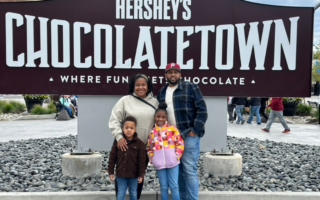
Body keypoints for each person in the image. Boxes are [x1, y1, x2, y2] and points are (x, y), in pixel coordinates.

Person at [157, 63, 207, 200]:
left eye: (176, 72)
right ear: (166, 75)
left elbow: (202, 110)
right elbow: (160, 115)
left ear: (180, 74)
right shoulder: (161, 92)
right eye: (170, 72)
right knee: (177, 171)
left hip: (188, 135)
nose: (173, 75)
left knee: (189, 170)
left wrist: (195, 131)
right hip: (171, 139)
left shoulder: (190, 87)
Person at [109, 73, 159, 199]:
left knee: (138, 178)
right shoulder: (125, 101)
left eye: (143, 85)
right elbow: (114, 120)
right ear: (133, 86)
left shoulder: (155, 102)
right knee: (120, 177)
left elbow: (159, 124)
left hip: (143, 149)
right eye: (137, 85)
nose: (140, 87)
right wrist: (119, 137)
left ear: (148, 86)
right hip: (124, 145)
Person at [146, 102, 184, 200]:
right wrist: (152, 159)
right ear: (155, 117)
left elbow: (180, 143)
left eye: (163, 117)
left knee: (174, 186)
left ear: (166, 118)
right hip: (159, 164)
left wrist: (177, 156)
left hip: (173, 162)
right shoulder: (152, 132)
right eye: (158, 117)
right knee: (163, 187)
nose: (160, 119)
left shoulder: (172, 129)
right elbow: (149, 147)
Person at [108, 116, 146, 200]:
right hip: (121, 174)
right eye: (127, 127)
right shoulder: (117, 142)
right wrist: (111, 172)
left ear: (135, 129)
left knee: (133, 192)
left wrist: (141, 174)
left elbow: (142, 161)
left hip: (134, 175)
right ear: (122, 129)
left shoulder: (140, 144)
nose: (129, 130)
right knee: (121, 192)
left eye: (131, 128)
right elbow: (112, 157)